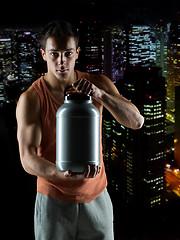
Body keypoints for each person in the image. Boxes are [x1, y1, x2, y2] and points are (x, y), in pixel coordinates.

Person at [16, 20, 144, 240]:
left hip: (97, 196)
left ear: (77, 53)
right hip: (53, 200)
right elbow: (27, 158)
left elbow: (136, 121)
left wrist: (100, 95)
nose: (61, 61)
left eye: (67, 53)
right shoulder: (32, 98)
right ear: (44, 54)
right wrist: (60, 174)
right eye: (54, 54)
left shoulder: (97, 83)